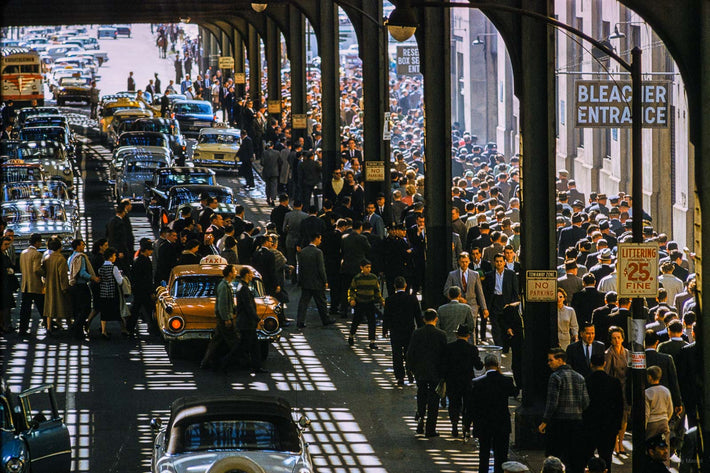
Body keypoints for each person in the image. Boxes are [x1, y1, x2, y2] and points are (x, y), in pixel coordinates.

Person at [539, 348, 589, 473]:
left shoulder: (555, 377)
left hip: (559, 423)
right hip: (576, 422)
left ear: (560, 360)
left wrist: (544, 421)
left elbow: (552, 402)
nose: (548, 363)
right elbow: (585, 402)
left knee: (556, 458)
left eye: (551, 360)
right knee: (573, 457)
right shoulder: (580, 377)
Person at [468, 354, 517, 473]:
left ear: (485, 365)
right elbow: (515, 392)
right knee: (501, 455)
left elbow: (471, 406)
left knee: (484, 454)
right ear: (498, 365)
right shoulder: (506, 381)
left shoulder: (477, 383)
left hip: (484, 423)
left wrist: (467, 423)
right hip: (501, 423)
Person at [406, 309, 448, 437]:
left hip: (420, 371)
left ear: (424, 319)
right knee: (434, 400)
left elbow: (410, 352)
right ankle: (430, 429)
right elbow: (444, 356)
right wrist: (444, 373)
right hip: (435, 372)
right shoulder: (441, 335)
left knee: (421, 394)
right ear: (436, 319)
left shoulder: (417, 333)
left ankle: (420, 416)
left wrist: (410, 369)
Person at [583, 353, 623, 473]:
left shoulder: (586, 381)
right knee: (606, 458)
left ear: (591, 364)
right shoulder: (614, 382)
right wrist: (618, 426)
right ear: (604, 364)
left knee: (588, 456)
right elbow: (619, 405)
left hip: (590, 425)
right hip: (609, 426)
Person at [443, 324, 482, 439]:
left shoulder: (449, 348)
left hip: (452, 380)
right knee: (468, 404)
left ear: (456, 335)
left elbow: (444, 365)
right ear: (468, 336)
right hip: (467, 381)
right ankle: (466, 425)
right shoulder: (472, 349)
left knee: (454, 403)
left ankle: (454, 423)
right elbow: (478, 366)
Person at [382, 276, 422, 386]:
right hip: (409, 331)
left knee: (397, 354)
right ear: (405, 286)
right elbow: (418, 316)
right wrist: (420, 328)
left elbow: (386, 317)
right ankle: (410, 371)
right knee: (409, 353)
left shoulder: (389, 300)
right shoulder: (412, 299)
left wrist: (385, 329)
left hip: (395, 331)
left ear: (394, 286)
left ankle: (400, 377)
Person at [200, 264, 240, 370]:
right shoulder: (224, 286)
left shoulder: (226, 285)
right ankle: (238, 361)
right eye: (234, 271)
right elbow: (222, 304)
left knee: (216, 341)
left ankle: (206, 362)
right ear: (230, 273)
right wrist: (227, 318)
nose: (236, 272)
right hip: (224, 319)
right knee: (234, 341)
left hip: (223, 318)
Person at [443, 251, 488, 342]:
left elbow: (480, 292)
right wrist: (458, 298)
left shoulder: (475, 274)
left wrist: (484, 308)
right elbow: (446, 290)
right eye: (462, 262)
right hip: (457, 308)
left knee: (472, 330)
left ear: (469, 262)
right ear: (459, 262)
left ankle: (473, 348)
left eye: (466, 262)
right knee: (458, 331)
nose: (464, 264)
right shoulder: (452, 275)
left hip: (472, 306)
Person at [296, 234, 336, 328]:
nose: (320, 241)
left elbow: (300, 268)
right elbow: (321, 269)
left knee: (303, 303)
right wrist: (325, 280)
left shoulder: (303, 252)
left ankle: (300, 321)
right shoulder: (318, 252)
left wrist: (300, 280)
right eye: (320, 239)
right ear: (316, 239)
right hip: (317, 282)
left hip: (306, 281)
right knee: (321, 302)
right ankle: (325, 319)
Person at [603, 326, 630, 455]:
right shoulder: (608, 354)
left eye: (618, 337)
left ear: (622, 338)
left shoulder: (627, 353)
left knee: (624, 416)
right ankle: (615, 444)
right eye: (614, 338)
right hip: (614, 389)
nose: (617, 340)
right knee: (614, 417)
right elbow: (606, 372)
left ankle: (621, 442)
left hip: (625, 388)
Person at [234, 267, 267, 374]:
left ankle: (254, 366)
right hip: (246, 322)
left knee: (250, 345)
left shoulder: (241, 287)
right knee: (247, 346)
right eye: (251, 274)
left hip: (245, 322)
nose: (252, 276)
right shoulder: (244, 288)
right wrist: (258, 319)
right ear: (246, 275)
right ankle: (226, 361)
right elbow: (248, 307)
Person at [483, 253, 519, 347]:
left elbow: (515, 291)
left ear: (504, 262)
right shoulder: (489, 275)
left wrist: (513, 304)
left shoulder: (511, 274)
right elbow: (486, 291)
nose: (499, 263)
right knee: (495, 326)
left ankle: (505, 346)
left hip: (506, 302)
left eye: (501, 261)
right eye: (497, 261)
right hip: (495, 301)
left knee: (506, 325)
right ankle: (498, 346)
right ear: (494, 263)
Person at [347, 259, 384, 349]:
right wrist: (351, 299)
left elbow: (376, 291)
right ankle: (351, 335)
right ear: (361, 267)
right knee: (356, 320)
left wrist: (381, 300)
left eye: (370, 267)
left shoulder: (373, 278)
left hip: (369, 302)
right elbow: (351, 290)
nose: (369, 269)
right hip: (360, 302)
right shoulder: (357, 278)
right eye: (367, 267)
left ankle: (372, 341)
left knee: (372, 322)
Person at [68, 238, 99, 340]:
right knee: (86, 309)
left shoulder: (70, 258)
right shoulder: (80, 257)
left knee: (76, 310)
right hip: (81, 286)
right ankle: (75, 327)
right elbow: (82, 273)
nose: (84, 246)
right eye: (82, 245)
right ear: (77, 246)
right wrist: (93, 277)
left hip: (72, 287)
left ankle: (78, 333)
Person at [126, 238, 155, 338]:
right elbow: (148, 278)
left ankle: (129, 327)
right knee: (148, 308)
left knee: (136, 309)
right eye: (150, 250)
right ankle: (153, 327)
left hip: (138, 289)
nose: (151, 252)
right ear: (146, 250)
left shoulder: (137, 260)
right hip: (144, 290)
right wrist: (151, 291)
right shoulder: (145, 261)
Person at [41, 237, 71, 333]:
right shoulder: (61, 259)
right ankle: (69, 324)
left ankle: (49, 327)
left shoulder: (46, 258)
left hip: (49, 285)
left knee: (49, 306)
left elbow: (43, 272)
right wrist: (65, 287)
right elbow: (63, 275)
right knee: (64, 305)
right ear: (60, 247)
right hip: (58, 285)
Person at [18, 233, 45, 337]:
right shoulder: (37, 254)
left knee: (25, 309)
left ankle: (22, 329)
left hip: (25, 284)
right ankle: (49, 326)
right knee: (42, 307)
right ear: (37, 242)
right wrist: (45, 273)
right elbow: (37, 269)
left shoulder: (23, 253)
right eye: (40, 242)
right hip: (35, 285)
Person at [95, 248, 124, 339]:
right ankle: (124, 329)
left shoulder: (101, 268)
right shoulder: (114, 268)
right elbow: (119, 281)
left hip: (103, 293)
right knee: (118, 312)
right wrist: (121, 276)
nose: (115, 257)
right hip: (113, 293)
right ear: (111, 257)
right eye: (114, 256)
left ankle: (104, 331)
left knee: (104, 313)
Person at [646, 365, 673, 457]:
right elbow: (670, 409)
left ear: (649, 377)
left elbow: (646, 413)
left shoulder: (647, 392)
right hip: (664, 421)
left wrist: (644, 426)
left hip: (652, 423)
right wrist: (666, 419)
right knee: (665, 447)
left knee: (651, 447)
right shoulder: (666, 391)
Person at [0, 236, 19, 333]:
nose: (7, 246)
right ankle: (5, 326)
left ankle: (5, 325)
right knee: (5, 306)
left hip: (6, 284)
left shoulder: (4, 254)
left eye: (8, 244)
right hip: (3, 285)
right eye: (5, 244)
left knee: (5, 306)